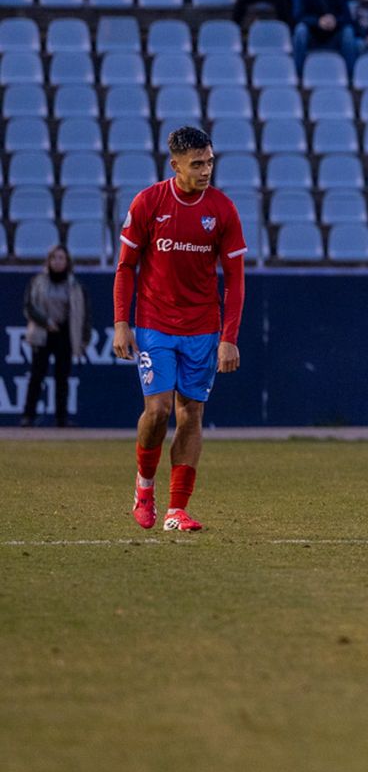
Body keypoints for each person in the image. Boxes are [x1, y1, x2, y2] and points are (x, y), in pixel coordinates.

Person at [113, 127, 247, 533]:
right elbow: (125, 267)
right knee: (158, 411)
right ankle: (144, 487)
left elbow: (236, 280)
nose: (206, 170)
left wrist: (229, 337)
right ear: (175, 165)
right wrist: (122, 323)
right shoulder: (149, 203)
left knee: (191, 414)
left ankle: (176, 510)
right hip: (154, 323)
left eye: (209, 161)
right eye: (197, 164)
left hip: (203, 328)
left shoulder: (222, 210)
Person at [20, 247, 91, 429]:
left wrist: (83, 337)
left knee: (62, 377)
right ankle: (28, 416)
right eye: (54, 258)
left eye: (62, 258)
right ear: (49, 261)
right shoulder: (38, 282)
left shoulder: (74, 284)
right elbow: (29, 306)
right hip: (42, 333)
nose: (58, 262)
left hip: (64, 333)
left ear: (67, 262)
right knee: (37, 375)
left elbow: (83, 313)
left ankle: (61, 418)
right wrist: (46, 321)